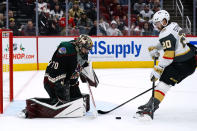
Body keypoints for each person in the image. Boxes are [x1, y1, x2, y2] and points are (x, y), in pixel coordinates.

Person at [136, 10, 197, 119]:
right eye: (155, 24)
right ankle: (151, 103)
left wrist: (157, 69)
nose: (156, 26)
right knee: (164, 82)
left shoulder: (165, 33)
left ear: (164, 21)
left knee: (164, 82)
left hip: (182, 64)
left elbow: (168, 56)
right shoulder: (175, 25)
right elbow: (173, 40)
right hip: (190, 58)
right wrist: (156, 47)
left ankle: (152, 106)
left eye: (158, 23)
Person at [21, 35, 97, 118]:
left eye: (88, 49)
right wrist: (63, 86)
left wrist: (87, 76)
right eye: (86, 48)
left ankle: (64, 98)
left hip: (67, 80)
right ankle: (30, 108)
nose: (87, 51)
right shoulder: (67, 48)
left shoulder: (83, 54)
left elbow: (80, 67)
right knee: (63, 103)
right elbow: (58, 70)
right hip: (54, 81)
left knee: (78, 100)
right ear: (80, 45)